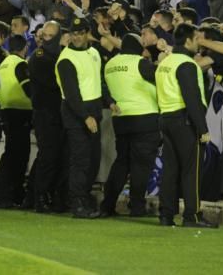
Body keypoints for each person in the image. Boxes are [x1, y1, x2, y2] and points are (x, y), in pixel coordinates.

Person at [155, 23, 216, 228]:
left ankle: (166, 215)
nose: (199, 43)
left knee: (170, 170)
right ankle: (192, 215)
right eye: (197, 39)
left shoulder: (166, 62)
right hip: (184, 121)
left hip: (166, 118)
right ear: (188, 41)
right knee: (192, 170)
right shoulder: (187, 64)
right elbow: (192, 98)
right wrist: (203, 128)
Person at [55, 17, 112, 219]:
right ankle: (77, 202)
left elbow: (99, 80)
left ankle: (84, 198)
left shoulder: (94, 53)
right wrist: (85, 116)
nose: (77, 37)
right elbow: (71, 94)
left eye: (80, 33)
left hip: (93, 112)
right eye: (74, 33)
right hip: (77, 115)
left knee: (92, 160)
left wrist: (109, 101)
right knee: (80, 161)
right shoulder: (66, 59)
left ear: (87, 34)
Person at [101, 33, 159, 217]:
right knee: (141, 166)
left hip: (121, 118)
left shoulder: (110, 64)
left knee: (121, 163)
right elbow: (160, 79)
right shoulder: (139, 63)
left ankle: (107, 205)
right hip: (145, 118)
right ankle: (137, 207)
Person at [28, 21, 67, 213]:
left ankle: (47, 195)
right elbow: (55, 82)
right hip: (45, 114)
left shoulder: (57, 56)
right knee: (48, 157)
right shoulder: (40, 57)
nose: (47, 40)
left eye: (51, 36)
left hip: (57, 114)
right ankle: (40, 197)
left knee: (56, 157)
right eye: (45, 36)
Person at [0, 34, 32, 208]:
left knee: (10, 153)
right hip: (20, 113)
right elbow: (28, 88)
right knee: (18, 156)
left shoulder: (3, 64)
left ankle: (4, 194)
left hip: (6, 110)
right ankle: (10, 195)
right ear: (25, 48)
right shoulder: (20, 64)